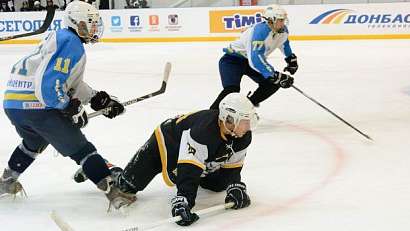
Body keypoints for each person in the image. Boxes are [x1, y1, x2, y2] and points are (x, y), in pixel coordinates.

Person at [0, 1, 135, 210]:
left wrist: (96, 98)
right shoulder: (71, 42)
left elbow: (66, 81)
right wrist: (68, 106)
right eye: (90, 23)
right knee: (81, 148)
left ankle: (5, 182)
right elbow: (48, 86)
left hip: (14, 103)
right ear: (77, 22)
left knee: (33, 141)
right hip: (37, 106)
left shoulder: (60, 37)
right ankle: (115, 194)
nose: (94, 28)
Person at [113, 93, 257, 226]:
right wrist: (184, 200)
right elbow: (189, 170)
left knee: (219, 184)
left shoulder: (243, 136)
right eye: (245, 121)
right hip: (168, 141)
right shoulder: (202, 132)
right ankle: (110, 170)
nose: (249, 126)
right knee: (126, 186)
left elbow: (233, 167)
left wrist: (234, 185)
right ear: (229, 119)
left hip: (193, 150)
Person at [209, 4, 298, 109]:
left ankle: (246, 107)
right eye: (280, 20)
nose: (283, 23)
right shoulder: (259, 32)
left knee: (272, 84)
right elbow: (255, 59)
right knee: (231, 90)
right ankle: (211, 114)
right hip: (232, 61)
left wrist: (290, 59)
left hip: (248, 61)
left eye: (284, 19)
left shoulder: (283, 31)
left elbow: (284, 44)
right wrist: (274, 75)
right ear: (271, 20)